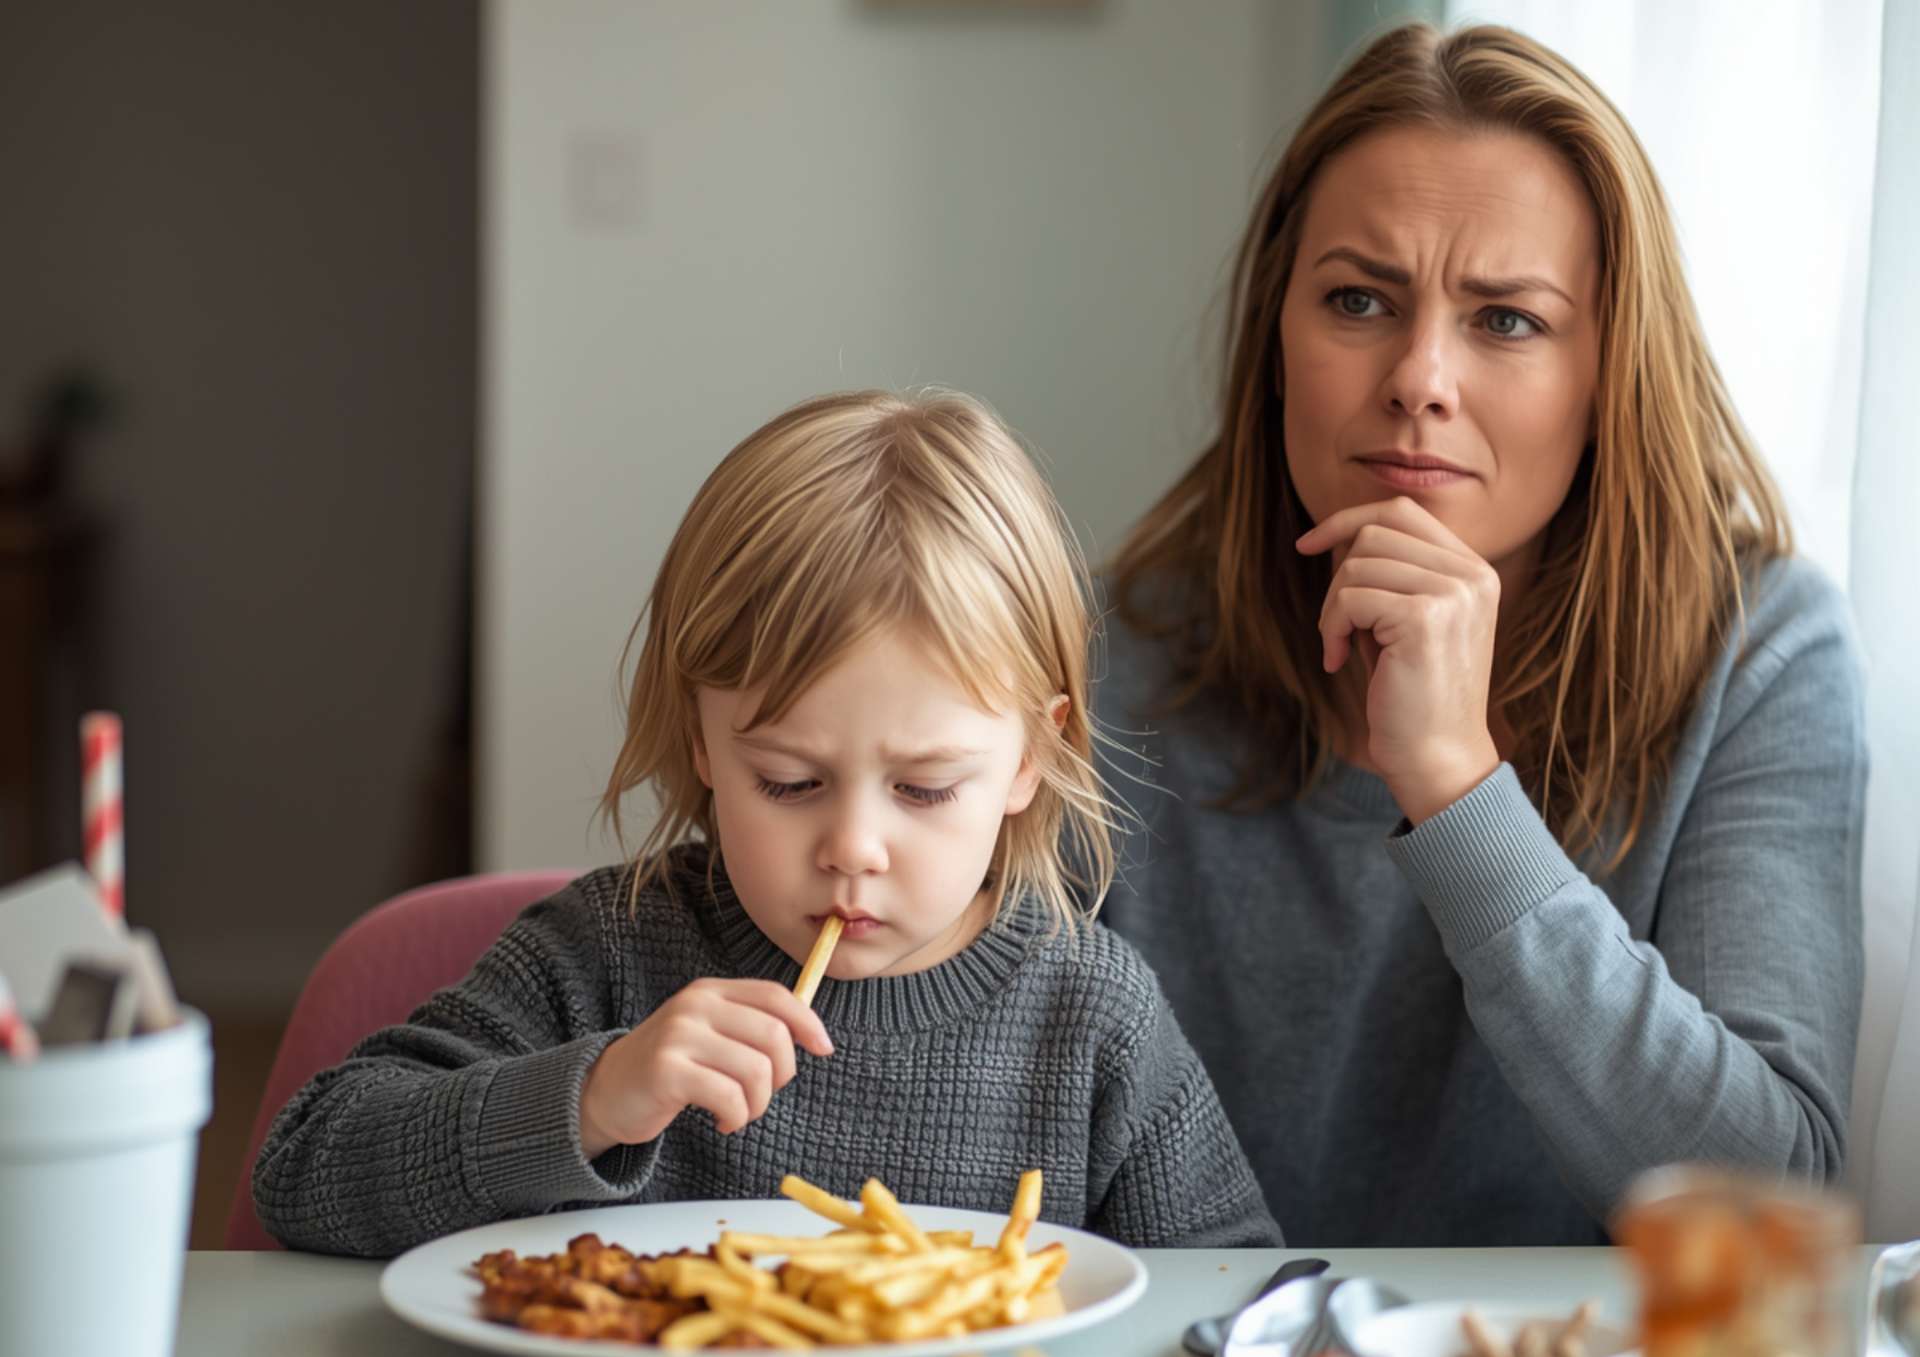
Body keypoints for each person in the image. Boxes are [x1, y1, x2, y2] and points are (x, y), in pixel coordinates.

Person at [1096, 22, 1866, 1246]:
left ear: (1609, 373)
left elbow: (1767, 1205)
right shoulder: (1099, 659)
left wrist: (1458, 788)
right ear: (1275, 342)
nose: (1420, 377)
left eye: (1507, 319)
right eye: (1358, 300)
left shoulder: (1760, 654)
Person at [254, 389, 1281, 1257]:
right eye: (789, 782)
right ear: (703, 744)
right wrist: (593, 1096)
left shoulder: (1093, 1014)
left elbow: (1239, 1289)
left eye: (925, 788)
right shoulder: (608, 953)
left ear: (1029, 759)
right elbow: (305, 1170)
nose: (854, 848)